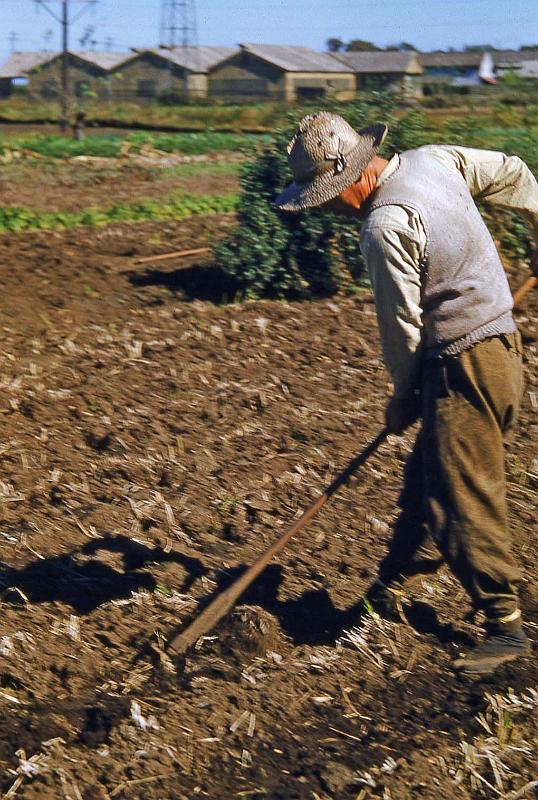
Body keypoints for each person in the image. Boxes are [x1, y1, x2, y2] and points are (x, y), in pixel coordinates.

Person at [275, 112, 538, 676]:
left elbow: (403, 330)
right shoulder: (433, 161)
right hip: (502, 352)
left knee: (460, 495)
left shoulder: (385, 226)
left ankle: (505, 626)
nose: (332, 210)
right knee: (427, 479)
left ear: (355, 176)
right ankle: (390, 586)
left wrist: (401, 395)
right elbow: (515, 172)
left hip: (463, 362)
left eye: (329, 198)